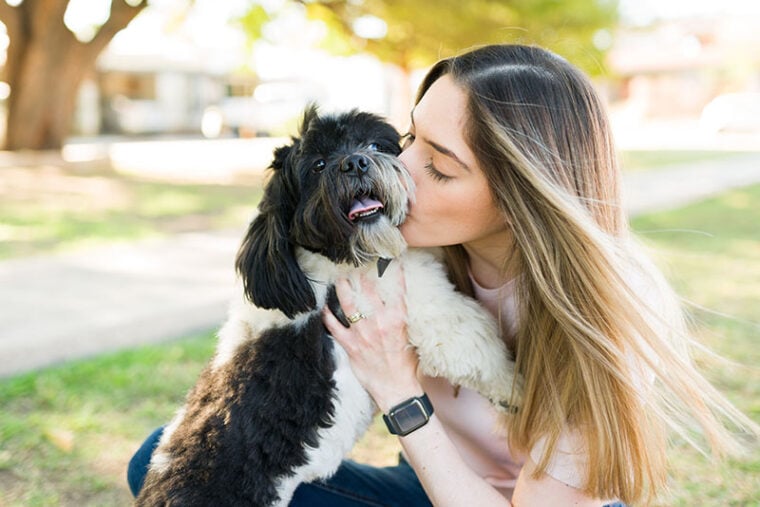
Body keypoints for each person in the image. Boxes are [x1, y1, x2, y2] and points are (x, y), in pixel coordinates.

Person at [128, 44, 758, 506]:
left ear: (521, 197)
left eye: (441, 167)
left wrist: (399, 393)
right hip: (432, 485)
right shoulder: (409, 248)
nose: (397, 171)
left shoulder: (598, 312)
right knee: (170, 467)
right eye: (407, 142)